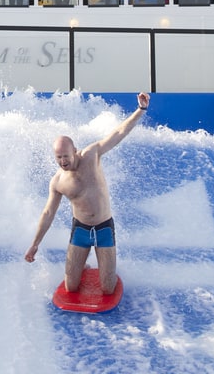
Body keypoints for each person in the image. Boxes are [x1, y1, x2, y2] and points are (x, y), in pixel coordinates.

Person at [24, 92, 150, 295]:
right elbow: (48, 213)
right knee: (70, 287)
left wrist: (140, 110)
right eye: (58, 158)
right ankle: (82, 265)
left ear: (74, 150)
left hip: (103, 228)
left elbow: (117, 134)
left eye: (66, 156)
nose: (63, 161)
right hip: (80, 230)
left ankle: (99, 264)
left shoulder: (91, 155)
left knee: (108, 289)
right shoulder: (57, 182)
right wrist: (34, 244)